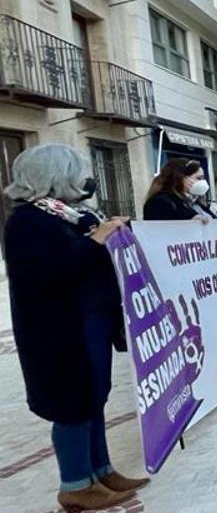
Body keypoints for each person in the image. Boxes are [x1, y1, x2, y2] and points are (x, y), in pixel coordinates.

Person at [4, 144, 149, 511]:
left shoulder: (71, 214)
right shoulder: (27, 222)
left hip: (92, 323)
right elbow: (49, 274)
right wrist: (96, 242)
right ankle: (75, 483)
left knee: (94, 398)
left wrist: (113, 231)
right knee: (72, 405)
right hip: (60, 331)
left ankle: (101, 470)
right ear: (55, 176)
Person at [142, 158, 216, 221]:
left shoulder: (194, 202)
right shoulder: (159, 202)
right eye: (198, 178)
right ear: (181, 178)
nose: (203, 182)